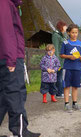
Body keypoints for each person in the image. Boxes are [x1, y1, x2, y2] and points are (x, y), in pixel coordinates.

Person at [0, 0, 41, 136]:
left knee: (4, 97)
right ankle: (20, 131)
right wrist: (11, 58)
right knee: (16, 94)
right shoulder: (5, 3)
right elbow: (6, 31)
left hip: (6, 56)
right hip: (10, 57)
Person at [60, 24, 81, 112]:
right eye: (73, 32)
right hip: (67, 68)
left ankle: (75, 103)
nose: (75, 34)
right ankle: (66, 104)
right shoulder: (65, 43)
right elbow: (61, 55)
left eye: (76, 32)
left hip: (77, 68)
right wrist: (69, 57)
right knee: (66, 86)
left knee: (75, 86)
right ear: (68, 33)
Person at [52, 21, 68, 98]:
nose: (66, 28)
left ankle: (61, 92)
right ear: (61, 26)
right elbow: (56, 48)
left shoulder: (62, 36)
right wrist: (57, 61)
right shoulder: (56, 35)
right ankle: (59, 93)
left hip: (63, 59)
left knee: (62, 77)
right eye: (65, 26)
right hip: (59, 60)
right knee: (59, 77)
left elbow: (66, 44)